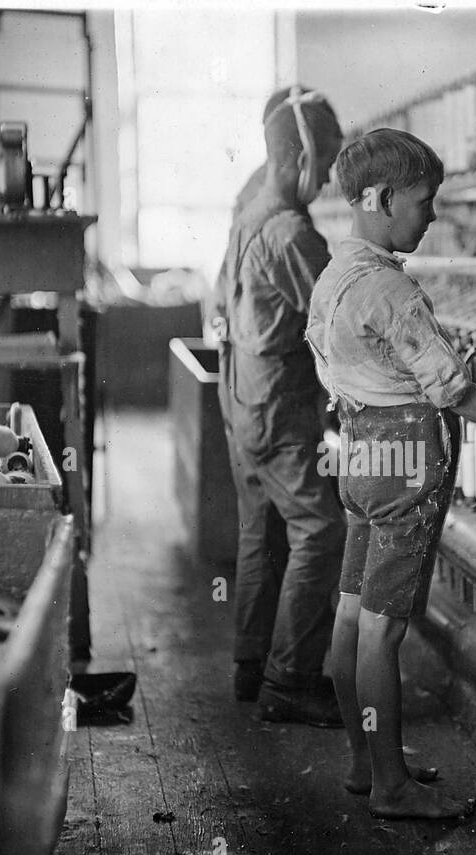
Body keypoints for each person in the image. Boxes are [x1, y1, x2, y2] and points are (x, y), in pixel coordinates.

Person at [305, 128, 476, 818]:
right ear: (384, 199)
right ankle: (392, 790)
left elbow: (393, 378)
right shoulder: (392, 289)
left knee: (352, 614)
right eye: (425, 201)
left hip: (360, 455)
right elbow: (448, 393)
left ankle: (367, 764)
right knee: (384, 633)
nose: (430, 215)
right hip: (405, 472)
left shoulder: (335, 278)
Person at [212, 86, 347, 726]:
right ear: (296, 159)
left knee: (260, 529)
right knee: (321, 530)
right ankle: (291, 679)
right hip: (278, 406)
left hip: (240, 394)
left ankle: (250, 664)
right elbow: (338, 323)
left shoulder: (249, 208)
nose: (324, 184)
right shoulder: (292, 233)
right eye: (322, 168)